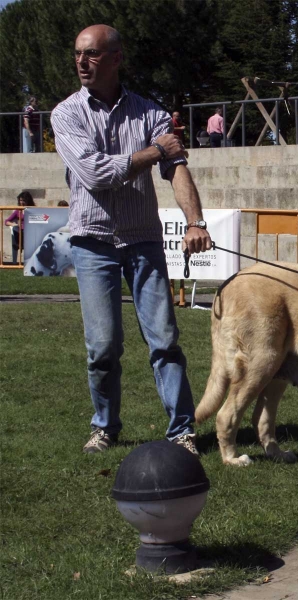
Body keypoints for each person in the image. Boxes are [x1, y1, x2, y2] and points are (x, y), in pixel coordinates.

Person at [51, 24, 212, 455]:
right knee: (102, 347)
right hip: (93, 243)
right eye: (78, 54)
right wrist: (156, 151)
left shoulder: (151, 115)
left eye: (93, 54)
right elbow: (95, 175)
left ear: (117, 58)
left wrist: (196, 221)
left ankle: (182, 431)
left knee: (164, 341)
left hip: (143, 241)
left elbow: (178, 168)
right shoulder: (65, 114)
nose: (82, 62)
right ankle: (105, 426)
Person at [5, 191, 35, 264]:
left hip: (30, 232)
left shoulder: (33, 210)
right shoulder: (18, 211)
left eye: (23, 200)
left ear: (28, 201)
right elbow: (6, 221)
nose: (21, 202)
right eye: (20, 200)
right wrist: (14, 225)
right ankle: (14, 262)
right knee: (15, 229)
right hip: (18, 233)